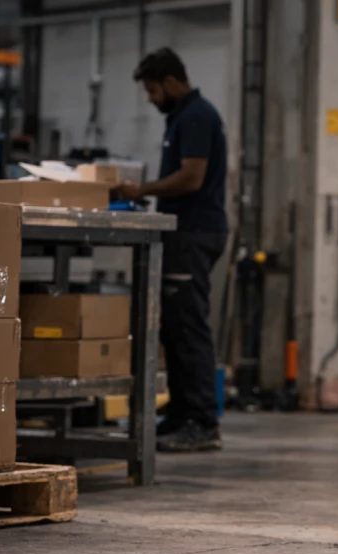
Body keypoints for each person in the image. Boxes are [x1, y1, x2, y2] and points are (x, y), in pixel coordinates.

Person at [117, 48, 227, 452]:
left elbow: (191, 178)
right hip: (186, 232)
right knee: (174, 327)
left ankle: (202, 421)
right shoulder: (182, 117)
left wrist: (141, 190)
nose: (150, 98)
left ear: (169, 82)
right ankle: (181, 414)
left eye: (151, 90)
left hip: (194, 232)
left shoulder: (197, 116)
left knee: (188, 327)